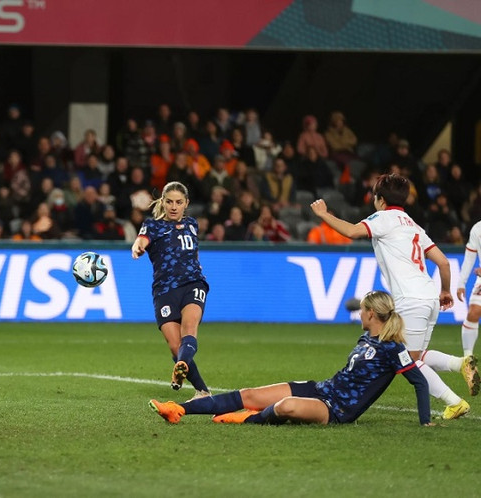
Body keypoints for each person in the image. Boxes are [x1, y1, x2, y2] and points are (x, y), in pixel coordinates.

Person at [310, 173, 478, 418]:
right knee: (416, 355)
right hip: (428, 297)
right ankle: (458, 363)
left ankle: (454, 401)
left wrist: (324, 214)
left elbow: (351, 232)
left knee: (408, 360)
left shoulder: (383, 218)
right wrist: (444, 291)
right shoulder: (414, 225)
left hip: (409, 299)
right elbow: (443, 263)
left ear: (379, 199)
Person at [150, 291, 432, 426]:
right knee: (251, 393)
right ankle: (179, 409)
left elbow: (419, 383)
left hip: (337, 411)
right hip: (321, 390)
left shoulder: (394, 349)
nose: (359, 314)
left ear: (372, 314)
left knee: (284, 406)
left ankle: (248, 420)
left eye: (362, 310)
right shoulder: (366, 339)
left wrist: (425, 422)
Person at [131, 181, 211, 400]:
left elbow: (193, 253)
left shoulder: (192, 224)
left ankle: (186, 373)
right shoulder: (153, 226)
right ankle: (201, 390)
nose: (174, 207)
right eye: (169, 202)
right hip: (164, 291)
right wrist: (137, 246)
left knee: (189, 327)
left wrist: (197, 266)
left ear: (186, 203)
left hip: (193, 284)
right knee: (175, 346)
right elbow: (142, 239)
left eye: (178, 202)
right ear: (163, 202)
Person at [456, 221, 481, 374]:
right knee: (473, 312)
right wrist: (461, 282)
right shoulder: (477, 228)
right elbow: (470, 257)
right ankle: (468, 361)